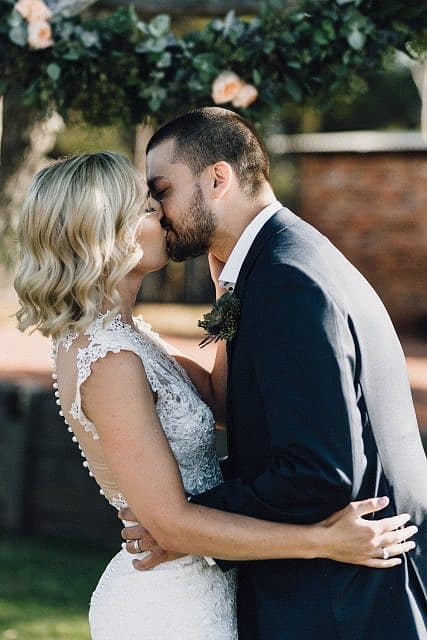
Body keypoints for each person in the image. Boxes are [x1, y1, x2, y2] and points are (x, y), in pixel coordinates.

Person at [14, 152, 417, 640]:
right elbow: (171, 526)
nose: (162, 215)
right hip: (166, 605)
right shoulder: (107, 361)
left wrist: (230, 291)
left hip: (207, 583)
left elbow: (220, 404)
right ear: (105, 235)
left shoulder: (132, 336)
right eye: (145, 210)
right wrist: (325, 541)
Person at [119, 108, 427, 639]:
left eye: (162, 190)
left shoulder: (285, 281)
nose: (157, 211)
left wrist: (186, 523)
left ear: (218, 179)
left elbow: (319, 473)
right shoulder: (280, 260)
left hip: (340, 606)